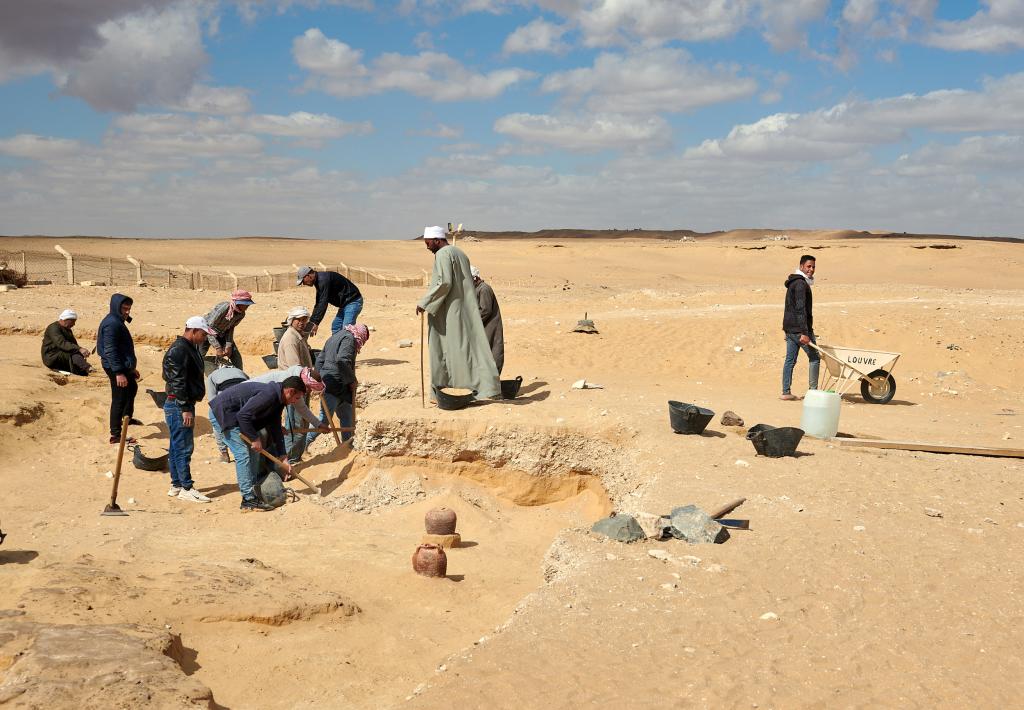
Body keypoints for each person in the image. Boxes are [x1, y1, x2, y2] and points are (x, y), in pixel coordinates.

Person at [416, 226, 500, 400]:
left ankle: (448, 389)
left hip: (448, 312)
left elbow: (444, 283)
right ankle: (483, 387)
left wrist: (425, 303)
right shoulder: (460, 253)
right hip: (465, 310)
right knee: (468, 349)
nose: (427, 247)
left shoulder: (442, 254)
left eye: (428, 243)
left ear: (437, 240)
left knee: (445, 349)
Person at [209, 376, 305, 512]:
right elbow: (243, 415)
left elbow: (275, 426)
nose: (296, 402)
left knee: (255, 452)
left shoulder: (279, 399)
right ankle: (248, 500)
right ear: (290, 391)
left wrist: (284, 457)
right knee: (243, 454)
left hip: (237, 416)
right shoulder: (270, 395)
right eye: (297, 398)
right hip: (223, 413)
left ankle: (253, 489)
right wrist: (255, 438)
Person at [163, 316, 217, 503]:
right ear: (193, 331)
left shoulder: (187, 348)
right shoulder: (179, 350)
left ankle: (177, 485)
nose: (204, 338)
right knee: (184, 446)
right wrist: (185, 407)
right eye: (202, 334)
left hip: (180, 403)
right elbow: (176, 381)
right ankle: (186, 487)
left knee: (176, 445)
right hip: (179, 405)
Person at [306, 324, 367, 449]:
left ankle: (347, 446)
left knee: (346, 416)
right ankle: (301, 446)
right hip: (335, 385)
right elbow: (342, 360)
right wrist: (352, 380)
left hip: (333, 384)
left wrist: (319, 379)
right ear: (361, 335)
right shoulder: (349, 338)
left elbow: (319, 360)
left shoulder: (335, 337)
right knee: (324, 420)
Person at [251, 365, 329, 463]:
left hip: (260, 411)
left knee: (270, 439)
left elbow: (302, 409)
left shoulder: (296, 387)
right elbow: (265, 409)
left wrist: (319, 424)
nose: (309, 392)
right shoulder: (287, 386)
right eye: (309, 388)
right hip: (248, 407)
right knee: (260, 440)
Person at [98, 294, 140, 444]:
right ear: (116, 307)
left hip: (121, 365)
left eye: (129, 309)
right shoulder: (112, 324)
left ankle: (126, 417)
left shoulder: (117, 321)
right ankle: (115, 435)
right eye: (124, 308)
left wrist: (130, 369)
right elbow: (110, 350)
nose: (127, 312)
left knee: (132, 387)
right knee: (119, 397)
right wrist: (119, 373)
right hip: (114, 366)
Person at [781, 254, 820, 401]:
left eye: (813, 267)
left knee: (790, 360)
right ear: (802, 266)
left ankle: (785, 392)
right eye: (809, 266)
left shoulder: (794, 282)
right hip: (799, 330)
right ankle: (813, 392)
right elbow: (800, 309)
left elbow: (788, 308)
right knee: (815, 357)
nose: (811, 269)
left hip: (791, 329)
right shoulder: (800, 284)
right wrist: (804, 332)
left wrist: (787, 329)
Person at [296, 266, 363, 336]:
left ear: (308, 276)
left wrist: (315, 323)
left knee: (347, 330)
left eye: (303, 281)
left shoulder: (323, 280)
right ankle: (336, 345)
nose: (303, 283)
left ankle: (347, 346)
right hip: (345, 304)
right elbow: (319, 303)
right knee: (336, 326)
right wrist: (312, 322)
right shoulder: (319, 281)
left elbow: (323, 303)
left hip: (353, 302)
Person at [200, 289, 254, 371]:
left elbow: (230, 328)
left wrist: (228, 345)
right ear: (238, 303)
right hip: (204, 332)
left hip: (222, 333)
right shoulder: (225, 307)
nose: (247, 306)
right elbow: (208, 327)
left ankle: (239, 378)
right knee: (198, 357)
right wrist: (218, 348)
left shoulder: (241, 314)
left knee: (236, 357)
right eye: (246, 304)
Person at [205, 364, 249, 462]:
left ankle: (224, 454)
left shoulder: (213, 375)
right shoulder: (240, 372)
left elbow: (212, 401)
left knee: (216, 420)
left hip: (225, 399)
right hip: (243, 399)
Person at [471, 265, 505, 374]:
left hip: (490, 326)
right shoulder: (477, 289)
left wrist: (472, 321)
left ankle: (492, 381)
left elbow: (485, 310)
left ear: (475, 278)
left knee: (493, 351)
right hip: (483, 326)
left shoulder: (484, 289)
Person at [41, 309, 92, 375]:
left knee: (77, 356)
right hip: (51, 356)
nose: (74, 324)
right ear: (65, 320)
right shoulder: (53, 328)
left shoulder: (67, 329)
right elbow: (61, 343)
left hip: (61, 354)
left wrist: (81, 351)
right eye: (72, 321)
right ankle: (88, 368)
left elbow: (73, 344)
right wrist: (79, 349)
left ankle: (84, 370)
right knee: (73, 355)